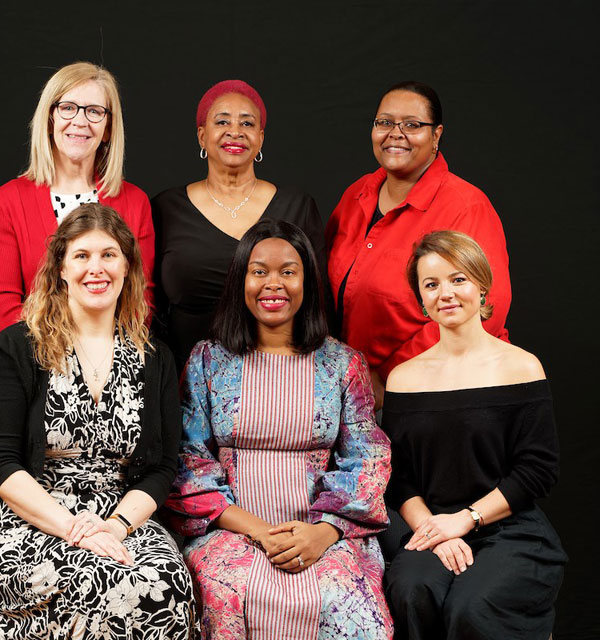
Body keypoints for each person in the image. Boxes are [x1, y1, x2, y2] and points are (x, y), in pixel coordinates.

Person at [164, 219, 394, 639]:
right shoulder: (207, 361)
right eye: (259, 272)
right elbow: (188, 461)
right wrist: (261, 533)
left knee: (348, 602)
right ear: (241, 281)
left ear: (307, 281)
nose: (274, 284)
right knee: (225, 591)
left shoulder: (344, 364)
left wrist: (321, 534)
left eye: (288, 271)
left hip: (326, 535)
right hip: (230, 533)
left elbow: (369, 460)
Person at [0, 204, 195, 638]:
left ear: (128, 267)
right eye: (82, 255)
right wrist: (75, 530)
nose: (97, 268)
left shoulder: (155, 358)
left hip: (119, 517)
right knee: (94, 581)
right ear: (60, 268)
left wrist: (114, 527)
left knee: (168, 584)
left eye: (109, 255)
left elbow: (162, 467)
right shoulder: (18, 347)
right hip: (31, 516)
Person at [381, 230, 566, 640]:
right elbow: (397, 476)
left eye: (457, 279)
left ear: (481, 286)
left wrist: (465, 521)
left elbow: (538, 470)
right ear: (421, 300)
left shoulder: (521, 367)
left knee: (473, 607)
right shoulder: (403, 379)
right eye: (431, 285)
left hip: (507, 525)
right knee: (413, 590)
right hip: (428, 524)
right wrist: (435, 529)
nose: (445, 293)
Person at [325, 81, 511, 407]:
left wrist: (391, 377)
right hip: (352, 393)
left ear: (436, 135)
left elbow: (485, 310)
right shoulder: (357, 195)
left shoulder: (465, 206)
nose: (395, 133)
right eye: (384, 122)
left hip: (437, 394)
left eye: (412, 125)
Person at [151, 79, 327, 372]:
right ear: (202, 136)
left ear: (260, 138)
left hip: (284, 377)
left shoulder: (297, 206)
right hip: (184, 379)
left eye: (247, 124)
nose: (235, 131)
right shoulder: (165, 209)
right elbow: (148, 303)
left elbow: (320, 303)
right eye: (222, 121)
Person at [0, 62, 154, 331]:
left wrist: (100, 351)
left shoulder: (134, 202)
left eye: (95, 111)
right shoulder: (8, 201)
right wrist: (62, 350)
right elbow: (2, 305)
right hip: (36, 359)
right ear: (50, 119)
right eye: (68, 108)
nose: (80, 121)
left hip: (113, 360)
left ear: (108, 128)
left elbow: (142, 298)